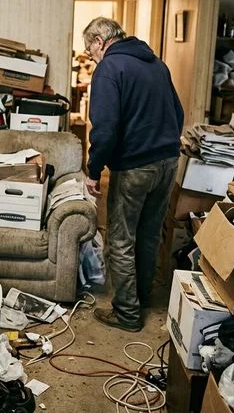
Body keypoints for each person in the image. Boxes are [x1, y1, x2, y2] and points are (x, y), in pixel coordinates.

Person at [83, 17, 184, 332]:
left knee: (122, 238)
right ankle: (142, 295)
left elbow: (105, 129)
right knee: (150, 233)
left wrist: (93, 170)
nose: (90, 55)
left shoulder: (109, 70)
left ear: (100, 41)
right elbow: (178, 114)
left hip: (134, 167)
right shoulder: (157, 65)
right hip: (168, 162)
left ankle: (127, 313)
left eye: (89, 49)